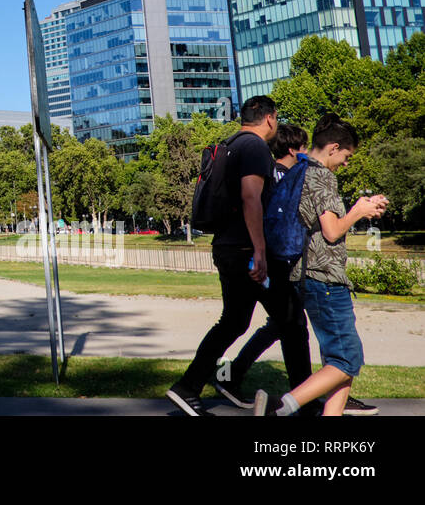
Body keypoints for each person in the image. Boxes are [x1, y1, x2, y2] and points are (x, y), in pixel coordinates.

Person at [255, 115, 387, 416]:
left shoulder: (297, 171)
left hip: (304, 277)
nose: (346, 163)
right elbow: (332, 230)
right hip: (324, 278)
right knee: (347, 359)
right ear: (334, 148)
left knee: (337, 361)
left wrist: (362, 210)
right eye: (346, 156)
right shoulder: (322, 176)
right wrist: (358, 211)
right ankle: (280, 407)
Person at [166, 95, 284, 416]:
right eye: (276, 119)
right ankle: (306, 402)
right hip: (246, 249)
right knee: (289, 319)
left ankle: (190, 387)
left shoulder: (231, 144)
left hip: (227, 246)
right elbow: (251, 197)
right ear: (269, 118)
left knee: (234, 322)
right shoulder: (255, 148)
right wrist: (260, 250)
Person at [213, 124, 313, 408]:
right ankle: (304, 396)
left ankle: (228, 376)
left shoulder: (268, 171)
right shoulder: (288, 178)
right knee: (288, 323)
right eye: (303, 148)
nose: (305, 153)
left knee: (266, 323)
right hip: (272, 259)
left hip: (259, 256)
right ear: (294, 149)